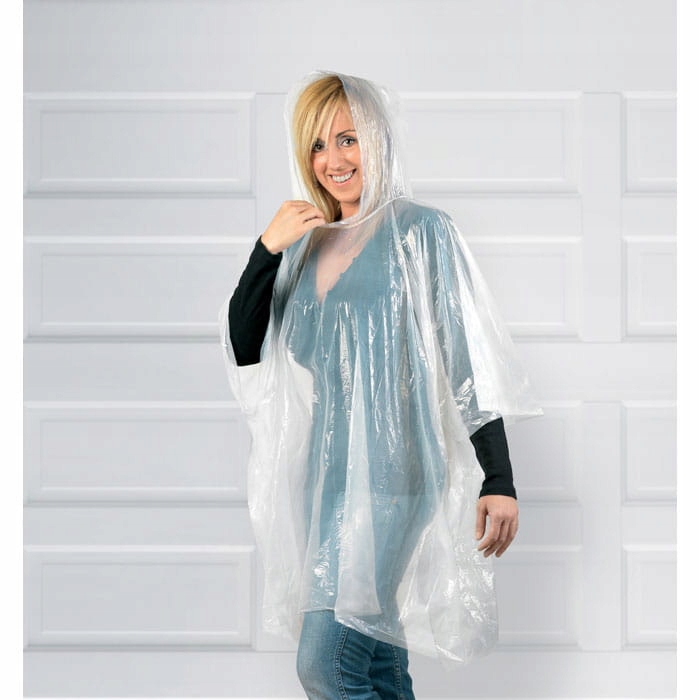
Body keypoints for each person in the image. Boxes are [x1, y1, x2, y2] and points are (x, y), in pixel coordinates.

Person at [219, 71, 541, 699]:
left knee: (326, 664)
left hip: (391, 476)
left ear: (378, 138)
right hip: (324, 481)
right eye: (318, 145)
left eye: (349, 139)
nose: (334, 159)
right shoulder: (304, 244)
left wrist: (498, 478)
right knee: (375, 665)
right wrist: (267, 248)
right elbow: (246, 344)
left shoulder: (419, 231)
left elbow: (466, 359)